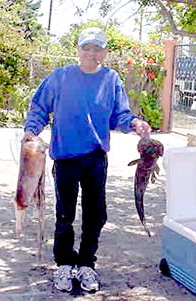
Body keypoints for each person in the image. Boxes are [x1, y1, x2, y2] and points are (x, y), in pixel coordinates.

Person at [22, 26, 151, 293]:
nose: (92, 53)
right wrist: (30, 130)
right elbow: (39, 107)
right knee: (65, 214)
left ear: (105, 51)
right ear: (78, 49)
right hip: (66, 158)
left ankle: (87, 264)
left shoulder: (111, 79)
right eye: (87, 47)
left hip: (95, 159)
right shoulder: (61, 77)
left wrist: (135, 123)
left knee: (96, 214)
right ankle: (65, 264)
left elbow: (120, 116)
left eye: (97, 48)